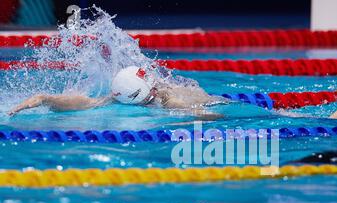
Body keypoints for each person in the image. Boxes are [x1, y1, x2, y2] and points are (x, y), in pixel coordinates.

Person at [7, 65, 223, 119]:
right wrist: (45, 99)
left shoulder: (169, 97)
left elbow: (208, 112)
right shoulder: (165, 100)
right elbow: (81, 103)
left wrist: (45, 98)